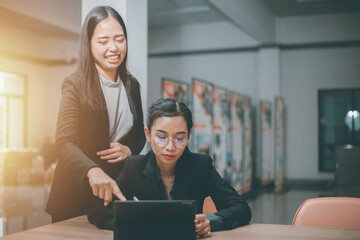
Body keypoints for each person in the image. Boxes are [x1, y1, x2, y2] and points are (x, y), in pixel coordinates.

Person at [88, 98, 252, 238]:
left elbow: (240, 208)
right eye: (161, 137)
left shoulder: (201, 165)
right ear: (148, 135)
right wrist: (131, 224)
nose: (170, 147)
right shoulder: (134, 166)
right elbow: (97, 209)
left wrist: (210, 221)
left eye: (180, 138)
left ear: (189, 136)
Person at [46, 6, 145, 223]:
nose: (113, 48)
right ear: (89, 44)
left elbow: (139, 134)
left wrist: (129, 148)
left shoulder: (131, 85)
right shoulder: (76, 84)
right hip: (76, 195)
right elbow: (63, 143)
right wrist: (92, 170)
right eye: (103, 41)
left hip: (115, 191)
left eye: (120, 39)